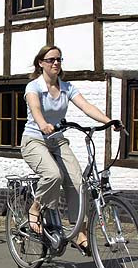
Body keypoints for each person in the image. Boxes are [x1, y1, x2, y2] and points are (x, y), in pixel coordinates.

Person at [21, 45, 121, 254]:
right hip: (34, 140)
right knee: (53, 175)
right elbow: (35, 109)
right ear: (41, 63)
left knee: (78, 181)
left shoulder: (67, 87)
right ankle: (36, 208)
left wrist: (109, 121)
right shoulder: (34, 87)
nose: (56, 63)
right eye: (51, 60)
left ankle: (79, 231)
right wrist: (42, 124)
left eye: (59, 59)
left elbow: (87, 107)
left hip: (57, 140)